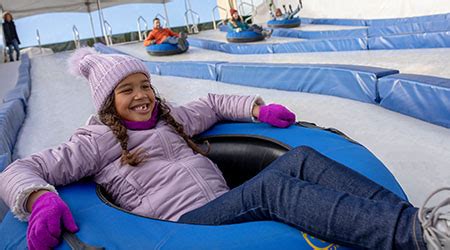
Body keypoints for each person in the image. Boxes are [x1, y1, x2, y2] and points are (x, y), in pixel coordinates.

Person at [0, 48, 448, 250]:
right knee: (273, 188)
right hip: (186, 226)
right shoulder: (96, 140)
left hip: (222, 205)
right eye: (126, 91)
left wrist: (256, 107)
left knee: (301, 159)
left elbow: (213, 103)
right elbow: (25, 168)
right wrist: (39, 199)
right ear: (106, 102)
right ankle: (411, 238)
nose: (141, 96)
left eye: (145, 85)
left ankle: (413, 224)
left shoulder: (172, 118)